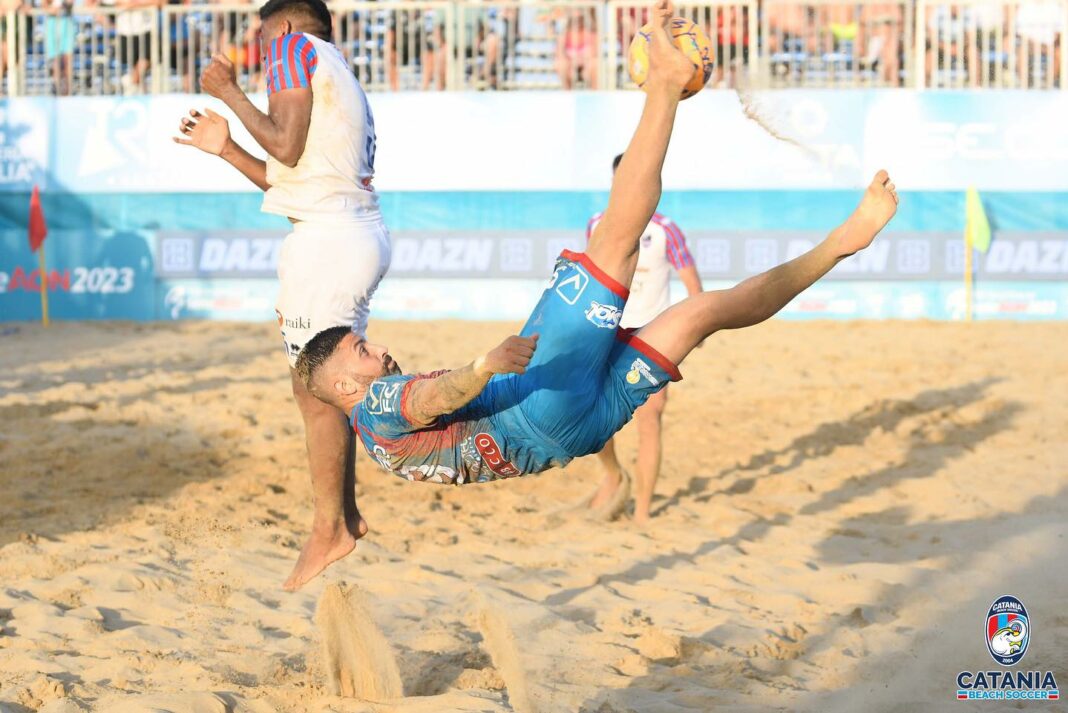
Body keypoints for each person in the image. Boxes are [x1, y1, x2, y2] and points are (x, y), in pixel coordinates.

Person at [295, 2, 900, 513]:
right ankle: (664, 84)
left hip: (575, 435)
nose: (379, 349)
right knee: (616, 242)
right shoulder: (374, 405)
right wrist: (482, 366)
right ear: (345, 382)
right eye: (363, 351)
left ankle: (839, 245)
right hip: (535, 396)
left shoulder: (376, 444)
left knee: (702, 313)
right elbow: (433, 398)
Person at [173, 0, 391, 592]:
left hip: (332, 241)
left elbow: (286, 146)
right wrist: (224, 146)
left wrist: (229, 92)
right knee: (316, 385)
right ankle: (340, 517)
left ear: (287, 26)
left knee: (319, 390)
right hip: (344, 234)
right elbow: (288, 176)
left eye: (261, 30)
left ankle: (332, 527)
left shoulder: (291, 51)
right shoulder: (332, 64)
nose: (256, 40)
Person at [582, 153, 702, 524]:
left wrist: (699, 324)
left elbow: (691, 281)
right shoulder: (597, 225)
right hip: (608, 331)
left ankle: (643, 513)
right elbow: (591, 277)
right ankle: (614, 475)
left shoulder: (667, 229)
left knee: (650, 419)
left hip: (654, 333)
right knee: (593, 420)